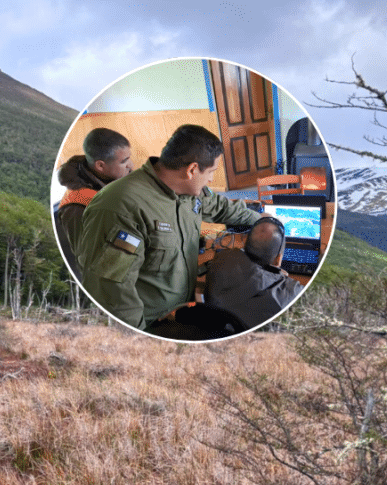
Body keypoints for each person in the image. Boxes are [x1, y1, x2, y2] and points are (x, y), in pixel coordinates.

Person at [76, 124, 262, 331]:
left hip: (182, 308)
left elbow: (220, 206)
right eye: (211, 172)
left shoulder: (188, 190)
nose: (211, 179)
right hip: (150, 324)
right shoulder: (120, 207)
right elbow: (111, 291)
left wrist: (261, 219)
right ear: (192, 170)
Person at [55, 127, 134, 280]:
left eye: (129, 158)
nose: (131, 165)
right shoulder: (76, 206)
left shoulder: (111, 180)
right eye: (124, 162)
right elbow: (89, 265)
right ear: (100, 166)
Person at [203, 216, 304, 330]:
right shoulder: (292, 292)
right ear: (278, 259)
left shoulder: (221, 260)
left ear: (244, 243)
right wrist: (280, 278)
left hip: (217, 332)